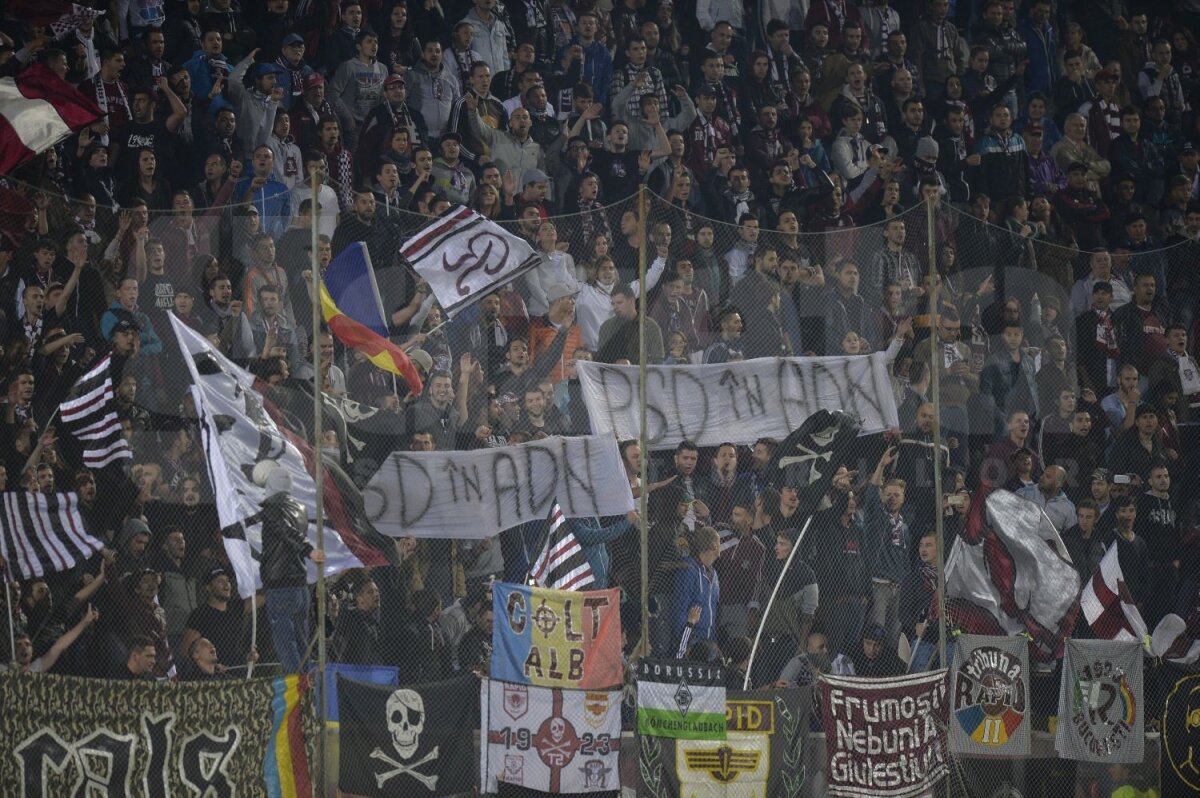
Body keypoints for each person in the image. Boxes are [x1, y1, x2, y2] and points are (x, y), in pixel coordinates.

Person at [240, 466, 324, 674]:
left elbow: (285, 531)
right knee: (301, 640)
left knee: (286, 643)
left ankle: (299, 686)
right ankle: (309, 686)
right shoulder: (300, 509)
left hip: (280, 585)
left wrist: (309, 550)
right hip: (299, 586)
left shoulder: (273, 510)